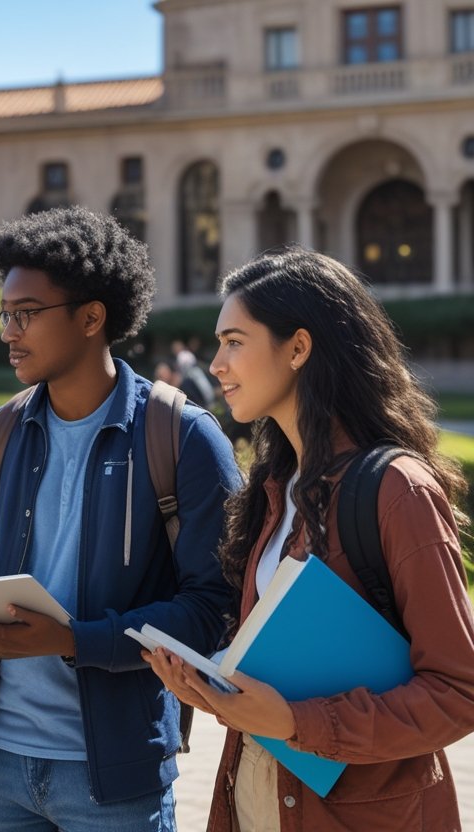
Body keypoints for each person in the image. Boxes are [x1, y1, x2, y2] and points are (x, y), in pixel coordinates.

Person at [145, 247, 474, 831]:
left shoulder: (397, 490)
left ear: (298, 348)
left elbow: (459, 691)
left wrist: (298, 722)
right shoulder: (276, 490)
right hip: (256, 802)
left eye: (235, 342)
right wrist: (212, 687)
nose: (216, 364)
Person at [0, 205, 241, 830]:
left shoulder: (181, 436)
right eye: (6, 314)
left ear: (91, 317)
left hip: (115, 776)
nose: (8, 332)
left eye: (26, 314)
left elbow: (217, 609)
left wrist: (76, 640)